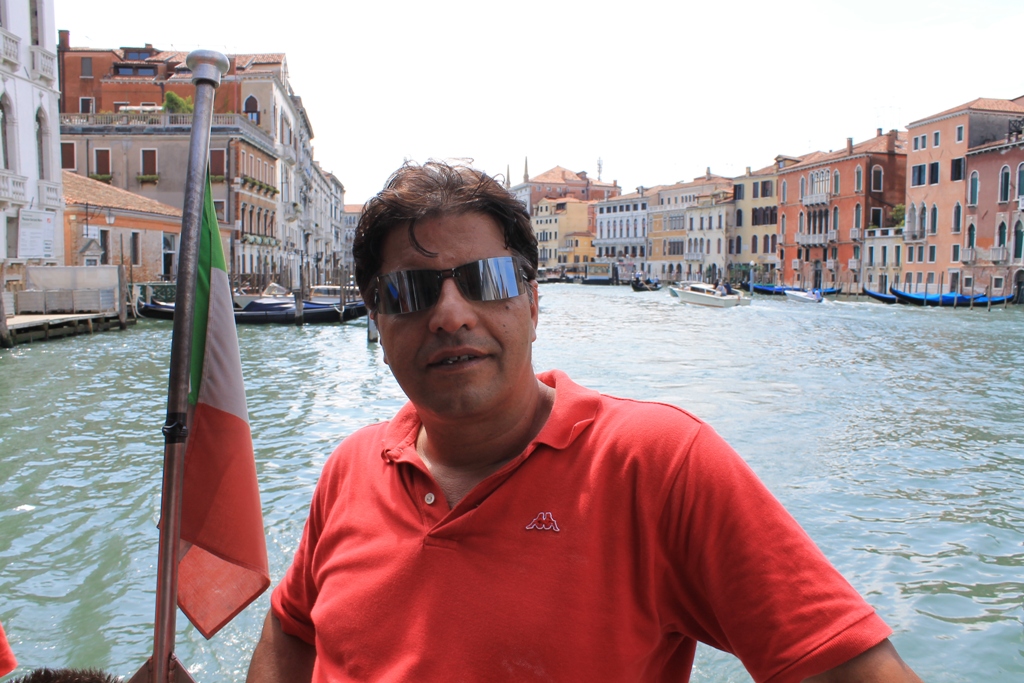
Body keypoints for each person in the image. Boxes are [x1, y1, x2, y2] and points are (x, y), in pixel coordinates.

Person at [247, 161, 922, 683]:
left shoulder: (658, 463)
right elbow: (292, 631)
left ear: (532, 304)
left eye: (486, 279)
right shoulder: (350, 469)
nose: (450, 314)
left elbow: (848, 668)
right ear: (377, 318)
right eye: (411, 290)